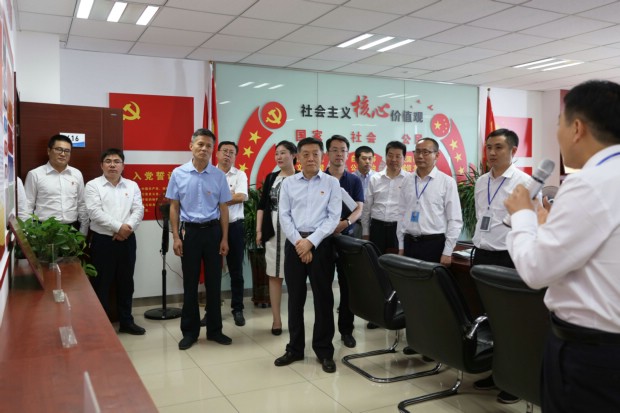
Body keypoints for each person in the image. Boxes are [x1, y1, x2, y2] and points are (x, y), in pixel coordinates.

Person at [505, 80, 620, 413]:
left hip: (591, 354)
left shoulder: (589, 182)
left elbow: (535, 270)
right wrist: (546, 228)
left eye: (559, 123)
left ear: (577, 128)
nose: (557, 133)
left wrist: (523, 216)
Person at [471, 129, 531, 404]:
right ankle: (496, 373)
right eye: (489, 147)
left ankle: (516, 382)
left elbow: (531, 225)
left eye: (498, 147)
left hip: (509, 258)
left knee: (512, 321)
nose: (492, 153)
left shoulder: (525, 183)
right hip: (482, 255)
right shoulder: (481, 181)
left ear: (513, 151)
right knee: (489, 318)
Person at [274, 137, 341, 373]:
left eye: (315, 154)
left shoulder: (332, 183)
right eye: (305, 154)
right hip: (295, 244)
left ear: (322, 156)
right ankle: (294, 348)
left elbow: (333, 218)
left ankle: (324, 351)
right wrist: (300, 243)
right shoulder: (289, 184)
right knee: (295, 299)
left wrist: (310, 243)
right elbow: (284, 216)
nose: (311, 158)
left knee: (324, 299)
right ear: (298, 157)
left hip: (321, 245)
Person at [166, 128, 232, 350]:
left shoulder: (218, 176)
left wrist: (224, 238)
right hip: (190, 234)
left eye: (208, 146)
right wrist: (176, 237)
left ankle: (215, 330)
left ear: (213, 150)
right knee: (190, 283)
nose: (204, 149)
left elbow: (224, 208)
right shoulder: (178, 174)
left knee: (214, 284)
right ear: (191, 146)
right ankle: (190, 332)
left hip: (213, 232)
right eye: (200, 144)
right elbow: (174, 207)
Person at [84, 148, 145, 335]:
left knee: (126, 282)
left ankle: (126, 321)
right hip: (103, 241)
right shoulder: (93, 186)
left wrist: (127, 229)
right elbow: (94, 212)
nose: (112, 165)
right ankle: (101, 327)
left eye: (117, 161)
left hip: (127, 240)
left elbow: (139, 210)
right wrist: (119, 228)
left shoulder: (132, 186)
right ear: (101, 165)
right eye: (108, 161)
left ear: (123, 165)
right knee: (101, 283)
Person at [396, 137, 462, 266]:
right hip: (409, 242)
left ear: (436, 155)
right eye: (417, 151)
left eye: (425, 152)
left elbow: (455, 219)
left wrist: (447, 251)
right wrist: (401, 245)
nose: (420, 156)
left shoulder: (447, 182)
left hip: (433, 244)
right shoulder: (407, 180)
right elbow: (401, 214)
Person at [325, 135, 364, 349]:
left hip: (347, 238)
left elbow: (359, 208)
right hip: (323, 240)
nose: (339, 154)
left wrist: (345, 222)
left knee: (347, 286)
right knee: (323, 287)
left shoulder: (354, 180)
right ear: (327, 153)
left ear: (348, 154)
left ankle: (346, 330)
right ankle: (325, 332)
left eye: (343, 150)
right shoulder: (320, 178)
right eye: (334, 150)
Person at [256, 140, 297, 336]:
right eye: (277, 153)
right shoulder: (271, 177)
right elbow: (261, 206)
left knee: (294, 277)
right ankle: (276, 320)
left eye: (283, 153)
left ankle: (295, 320)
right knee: (273, 275)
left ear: (294, 155)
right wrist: (258, 231)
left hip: (295, 236)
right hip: (272, 234)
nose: (279, 157)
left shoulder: (301, 178)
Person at [23, 134, 89, 234]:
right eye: (58, 149)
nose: (63, 154)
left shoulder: (77, 174)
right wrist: (27, 233)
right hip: (43, 229)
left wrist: (83, 232)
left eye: (67, 151)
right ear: (49, 151)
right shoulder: (35, 174)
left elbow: (82, 204)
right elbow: (27, 206)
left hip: (71, 229)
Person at [215, 141, 248, 327]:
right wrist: (230, 195)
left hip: (235, 226)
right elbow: (207, 198)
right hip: (213, 227)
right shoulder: (209, 174)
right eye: (224, 151)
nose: (227, 155)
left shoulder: (240, 174)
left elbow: (241, 196)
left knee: (236, 271)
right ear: (217, 154)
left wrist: (218, 198)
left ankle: (238, 309)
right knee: (212, 270)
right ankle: (212, 310)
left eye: (231, 152)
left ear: (235, 156)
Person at [361, 141, 409, 254]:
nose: (393, 159)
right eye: (390, 155)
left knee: (396, 262)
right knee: (375, 260)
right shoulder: (375, 178)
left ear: (404, 158)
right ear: (386, 156)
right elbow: (367, 208)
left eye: (398, 156)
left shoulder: (409, 180)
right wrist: (365, 232)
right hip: (377, 228)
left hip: (398, 229)